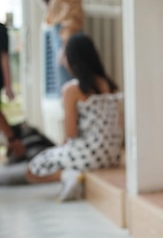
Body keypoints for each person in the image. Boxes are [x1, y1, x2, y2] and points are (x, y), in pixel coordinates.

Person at [20, 34, 123, 200]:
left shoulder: (72, 90)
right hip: (112, 154)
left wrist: (61, 148)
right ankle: (73, 174)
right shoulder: (110, 85)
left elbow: (71, 133)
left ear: (72, 58)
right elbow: (119, 123)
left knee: (33, 170)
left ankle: (67, 175)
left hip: (90, 153)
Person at [38, 0, 84, 93]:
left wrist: (64, 48)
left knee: (67, 84)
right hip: (61, 37)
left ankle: (69, 113)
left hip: (66, 38)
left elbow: (69, 19)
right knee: (64, 82)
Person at [0, 21, 25, 160]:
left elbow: (4, 59)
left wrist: (8, 86)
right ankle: (12, 140)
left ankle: (13, 142)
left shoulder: (1, 30)